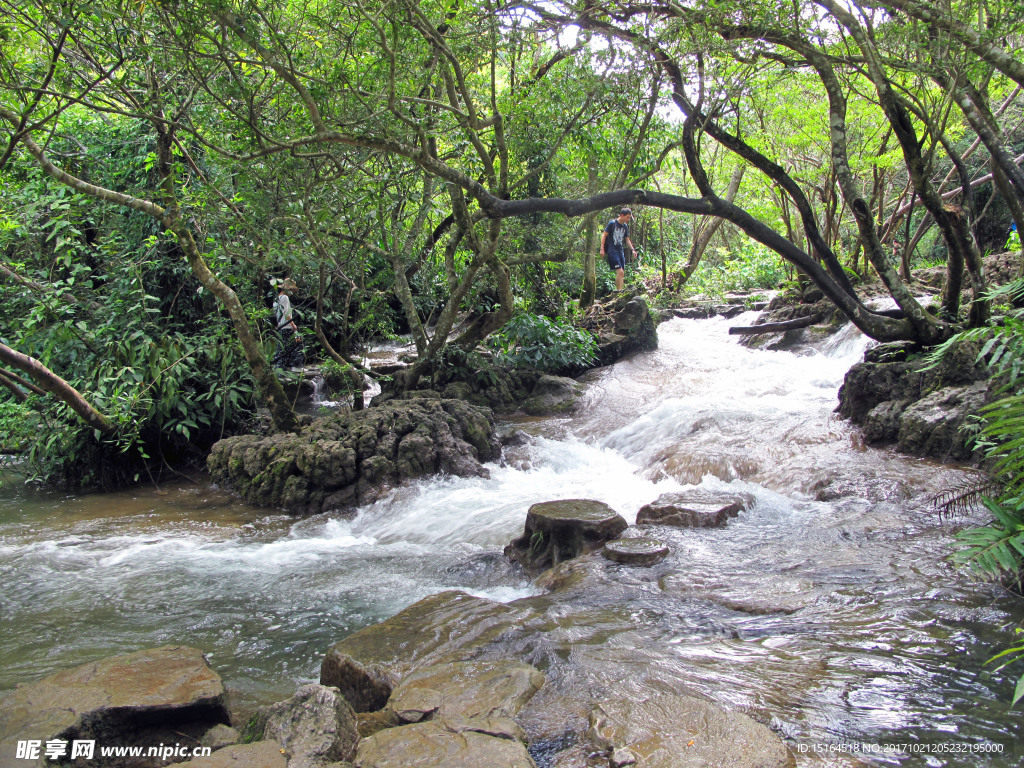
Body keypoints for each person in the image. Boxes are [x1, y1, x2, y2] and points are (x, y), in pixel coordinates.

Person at [600, 208, 637, 291]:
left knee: (622, 273)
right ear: (622, 215)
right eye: (627, 217)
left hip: (620, 250)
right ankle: (619, 291)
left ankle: (620, 291)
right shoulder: (612, 224)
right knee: (620, 271)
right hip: (612, 250)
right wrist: (602, 249)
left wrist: (632, 250)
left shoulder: (625, 226)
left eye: (629, 217)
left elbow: (627, 239)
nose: (628, 219)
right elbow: (604, 236)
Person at [272, 278, 304, 369]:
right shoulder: (285, 298)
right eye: (290, 290)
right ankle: (296, 366)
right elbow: (287, 313)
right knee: (298, 343)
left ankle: (279, 369)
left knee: (282, 349)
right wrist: (293, 325)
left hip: (280, 327)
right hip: (287, 326)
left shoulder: (276, 299)